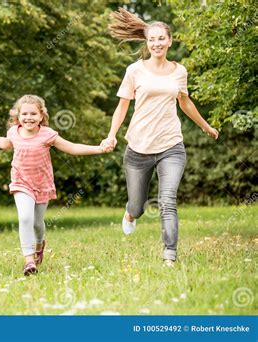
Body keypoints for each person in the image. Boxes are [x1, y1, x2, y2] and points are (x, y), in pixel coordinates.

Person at [101, 8, 219, 267]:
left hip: (171, 146)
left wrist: (206, 126)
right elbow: (122, 107)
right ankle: (131, 214)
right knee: (137, 205)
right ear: (146, 42)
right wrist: (111, 136)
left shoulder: (179, 71)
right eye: (152, 39)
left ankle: (169, 256)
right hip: (138, 148)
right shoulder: (134, 70)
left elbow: (185, 103)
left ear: (170, 41)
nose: (156, 43)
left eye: (161, 39)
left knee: (168, 201)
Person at [0, 95, 106, 275]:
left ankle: (39, 244)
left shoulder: (47, 134)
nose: (28, 117)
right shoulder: (14, 132)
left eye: (33, 113)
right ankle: (29, 260)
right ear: (18, 116)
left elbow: (72, 148)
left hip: (42, 184)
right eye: (24, 114)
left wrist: (99, 149)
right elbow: (5, 144)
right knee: (25, 218)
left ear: (41, 116)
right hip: (21, 182)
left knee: (38, 223)